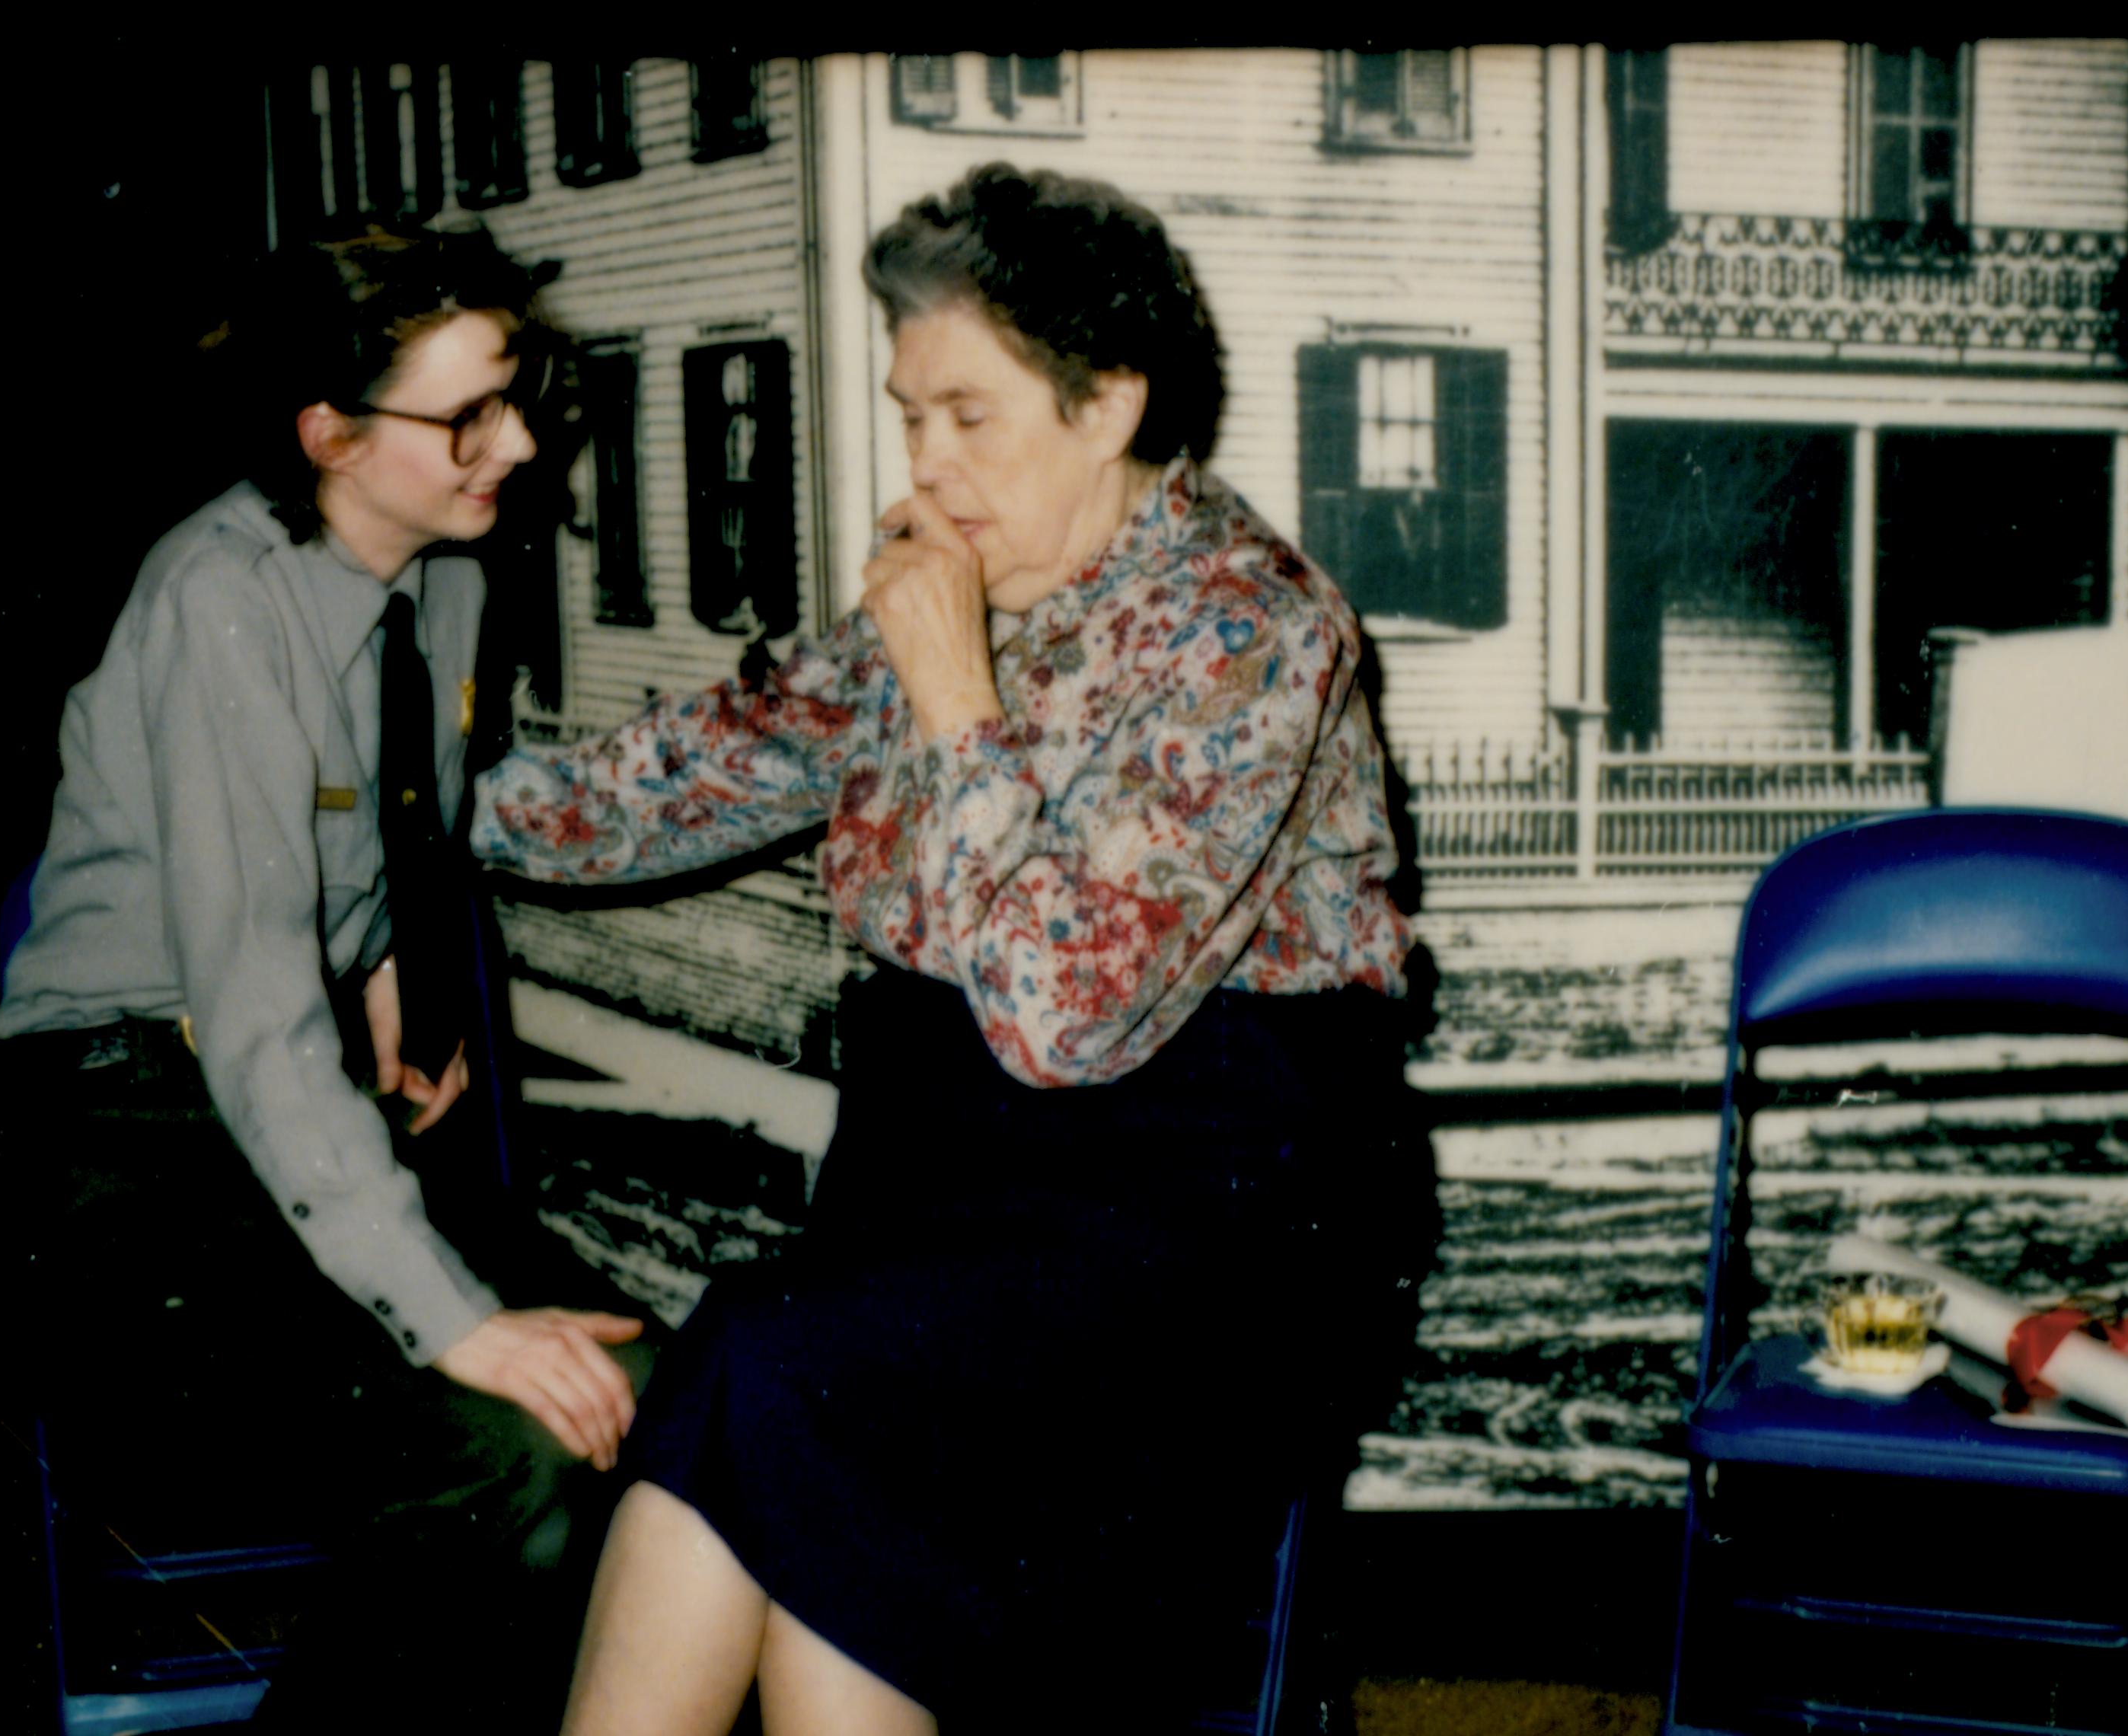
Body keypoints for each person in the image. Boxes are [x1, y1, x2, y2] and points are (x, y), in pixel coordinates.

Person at [474, 163, 1426, 1734]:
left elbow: (1068, 1015)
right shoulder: (951, 595)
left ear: (1108, 404)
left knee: (769, 1372)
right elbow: (660, 790)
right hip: (952, 1197)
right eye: (912, 414)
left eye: (970, 416)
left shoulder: (1255, 628)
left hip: (1206, 1232)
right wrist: (401, 796)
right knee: (813, 1485)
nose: (925, 465)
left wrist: (953, 704)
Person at [0, 222, 646, 1725]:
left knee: (650, 1387)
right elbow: (252, 1007)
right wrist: (453, 1315)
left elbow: (377, 830)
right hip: (118, 1151)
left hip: (262, 1104)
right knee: (515, 1447)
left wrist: (387, 989)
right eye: (469, 414)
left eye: (518, 396)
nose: (519, 442)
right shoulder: (220, 595)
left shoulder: (445, 581)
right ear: (327, 432)